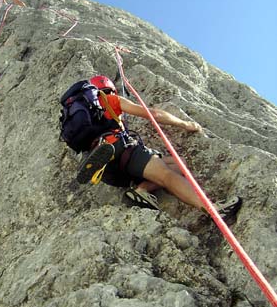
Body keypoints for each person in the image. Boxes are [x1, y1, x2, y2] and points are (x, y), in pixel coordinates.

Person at [75, 75, 241, 218]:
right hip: (122, 151)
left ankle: (141, 189)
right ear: (109, 89)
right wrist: (184, 123)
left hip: (108, 173)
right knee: (167, 175)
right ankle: (213, 210)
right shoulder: (110, 100)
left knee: (179, 163)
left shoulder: (83, 115)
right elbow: (153, 114)